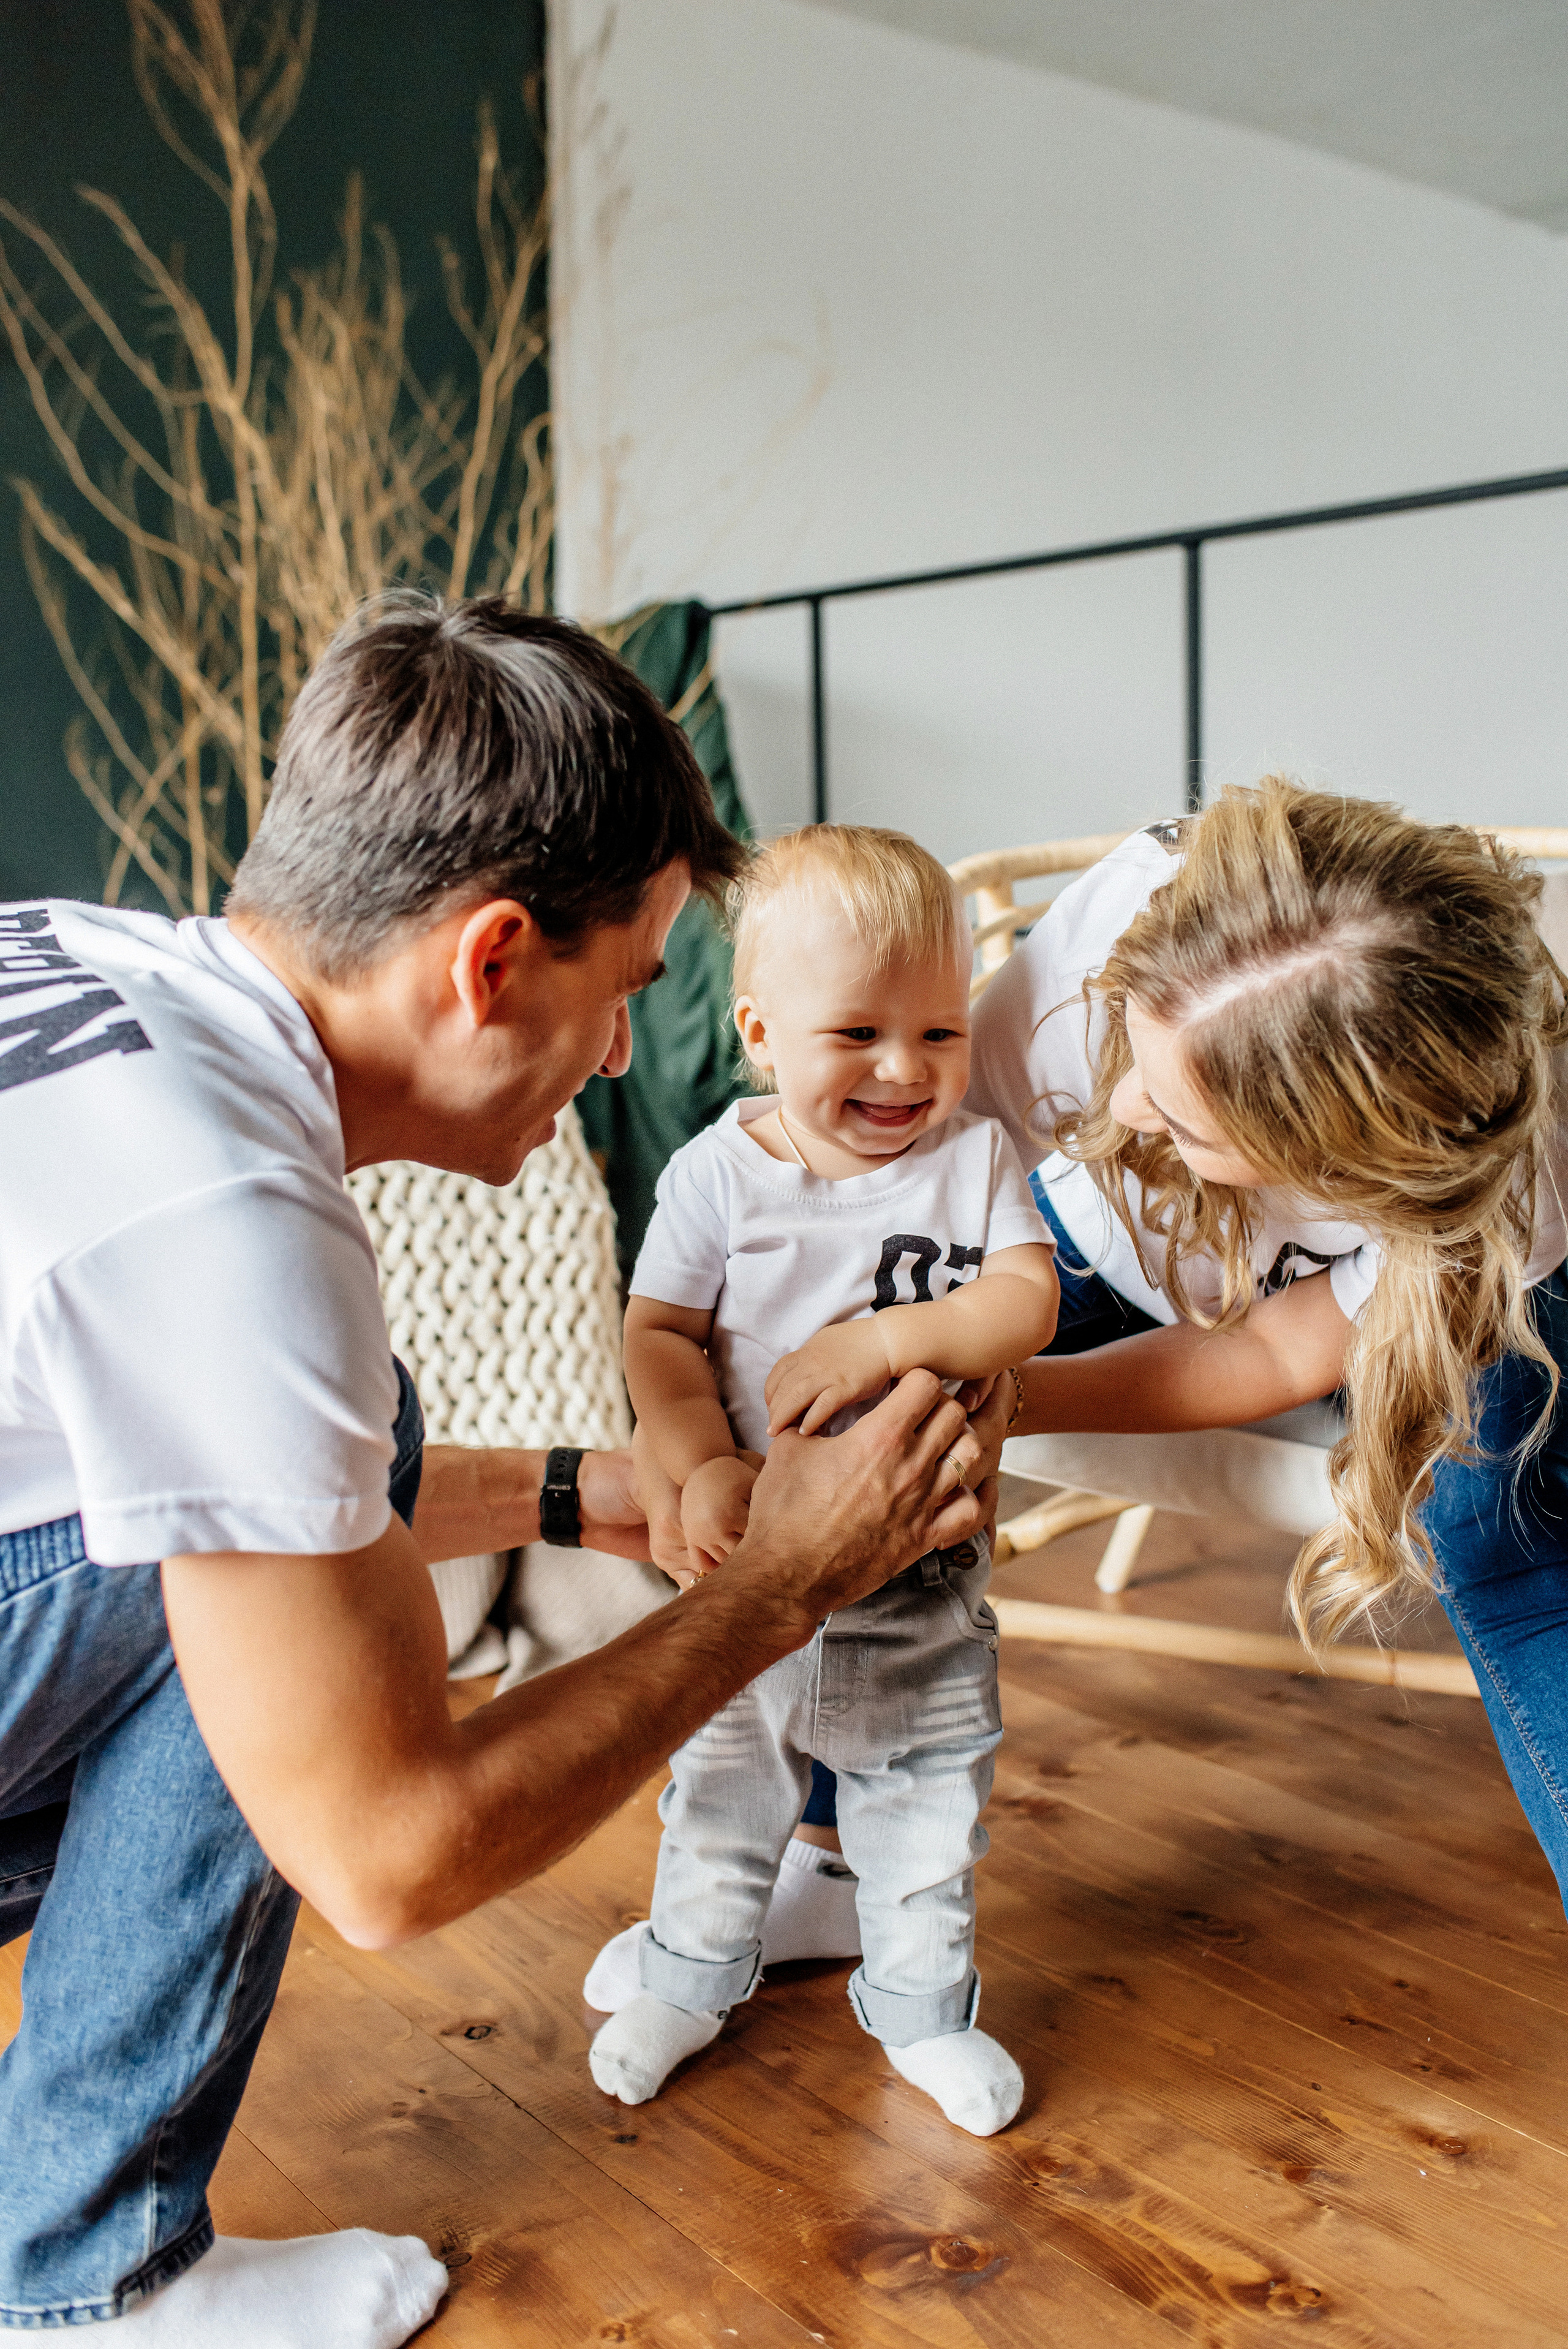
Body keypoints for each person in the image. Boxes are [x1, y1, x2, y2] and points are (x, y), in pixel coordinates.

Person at [0, 600, 1008, 2346]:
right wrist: (788, 1588)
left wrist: (577, 1489)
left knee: (331, 1448)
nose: (624, 1054)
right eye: (623, 994)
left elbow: (136, 1473)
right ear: (490, 962)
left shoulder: (82, 958)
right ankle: (91, 2279)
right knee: (260, 1591)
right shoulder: (232, 1223)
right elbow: (383, 1857)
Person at [786, 780, 1568, 1912]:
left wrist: (1025, 1401)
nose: (1133, 1115)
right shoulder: (1121, 951)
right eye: (1138, 1067)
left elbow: (1275, 1353)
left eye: (1185, 1116)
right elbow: (915, 1209)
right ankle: (824, 1837)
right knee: (880, 1399)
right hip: (1124, 1236)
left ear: (1337, 1169)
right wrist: (960, 1372)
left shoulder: (1500, 1175)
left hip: (1451, 1243)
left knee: (1499, 1537)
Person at [581, 828, 1056, 2136]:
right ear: (759, 1033)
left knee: (922, 1821)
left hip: (921, 1582)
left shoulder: (969, 1161)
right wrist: (696, 1462)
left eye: (938, 1032)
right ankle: (686, 1981)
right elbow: (658, 1339)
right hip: (746, 1571)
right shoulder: (715, 1179)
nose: (906, 1070)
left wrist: (888, 1338)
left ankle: (924, 2014)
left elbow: (1024, 1300)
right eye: (855, 1033)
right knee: (719, 1802)